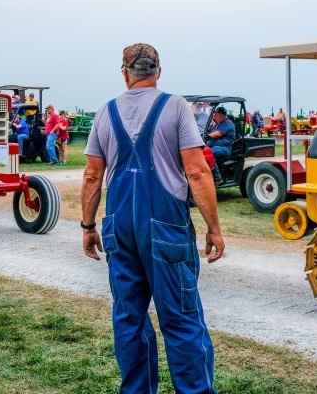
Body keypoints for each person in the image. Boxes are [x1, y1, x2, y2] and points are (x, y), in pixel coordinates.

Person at [81, 43, 223, 394]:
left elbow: (91, 176)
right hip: (166, 226)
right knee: (181, 317)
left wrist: (87, 226)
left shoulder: (105, 110)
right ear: (158, 71)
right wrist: (214, 228)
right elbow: (198, 172)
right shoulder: (174, 106)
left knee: (129, 318)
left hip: (118, 226)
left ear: (125, 72)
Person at [205, 106, 235, 184]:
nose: (214, 116)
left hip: (225, 148)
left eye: (216, 115)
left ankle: (217, 178)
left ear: (221, 115)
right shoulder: (217, 125)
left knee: (209, 153)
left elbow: (218, 133)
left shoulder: (228, 123)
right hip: (218, 147)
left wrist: (207, 136)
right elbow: (210, 131)